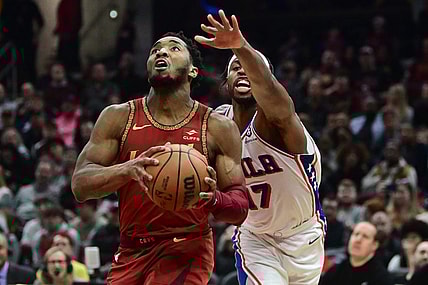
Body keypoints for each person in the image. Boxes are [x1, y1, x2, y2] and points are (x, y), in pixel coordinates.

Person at [71, 30, 249, 284]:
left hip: (187, 247)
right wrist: (126, 169)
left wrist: (214, 199)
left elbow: (240, 209)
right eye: (155, 49)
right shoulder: (118, 117)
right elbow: (80, 186)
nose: (161, 52)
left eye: (174, 48)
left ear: (193, 71)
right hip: (132, 249)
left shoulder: (217, 126)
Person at [195, 10, 326, 284]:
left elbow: (267, 88)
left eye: (249, 66)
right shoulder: (216, 127)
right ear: (226, 83)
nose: (242, 69)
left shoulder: (280, 122)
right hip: (256, 240)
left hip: (304, 237)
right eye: (234, 68)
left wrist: (240, 47)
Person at [320, 222, 393, 285]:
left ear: (374, 245)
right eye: (356, 234)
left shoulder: (381, 278)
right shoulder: (335, 271)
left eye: (365, 236)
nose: (358, 240)